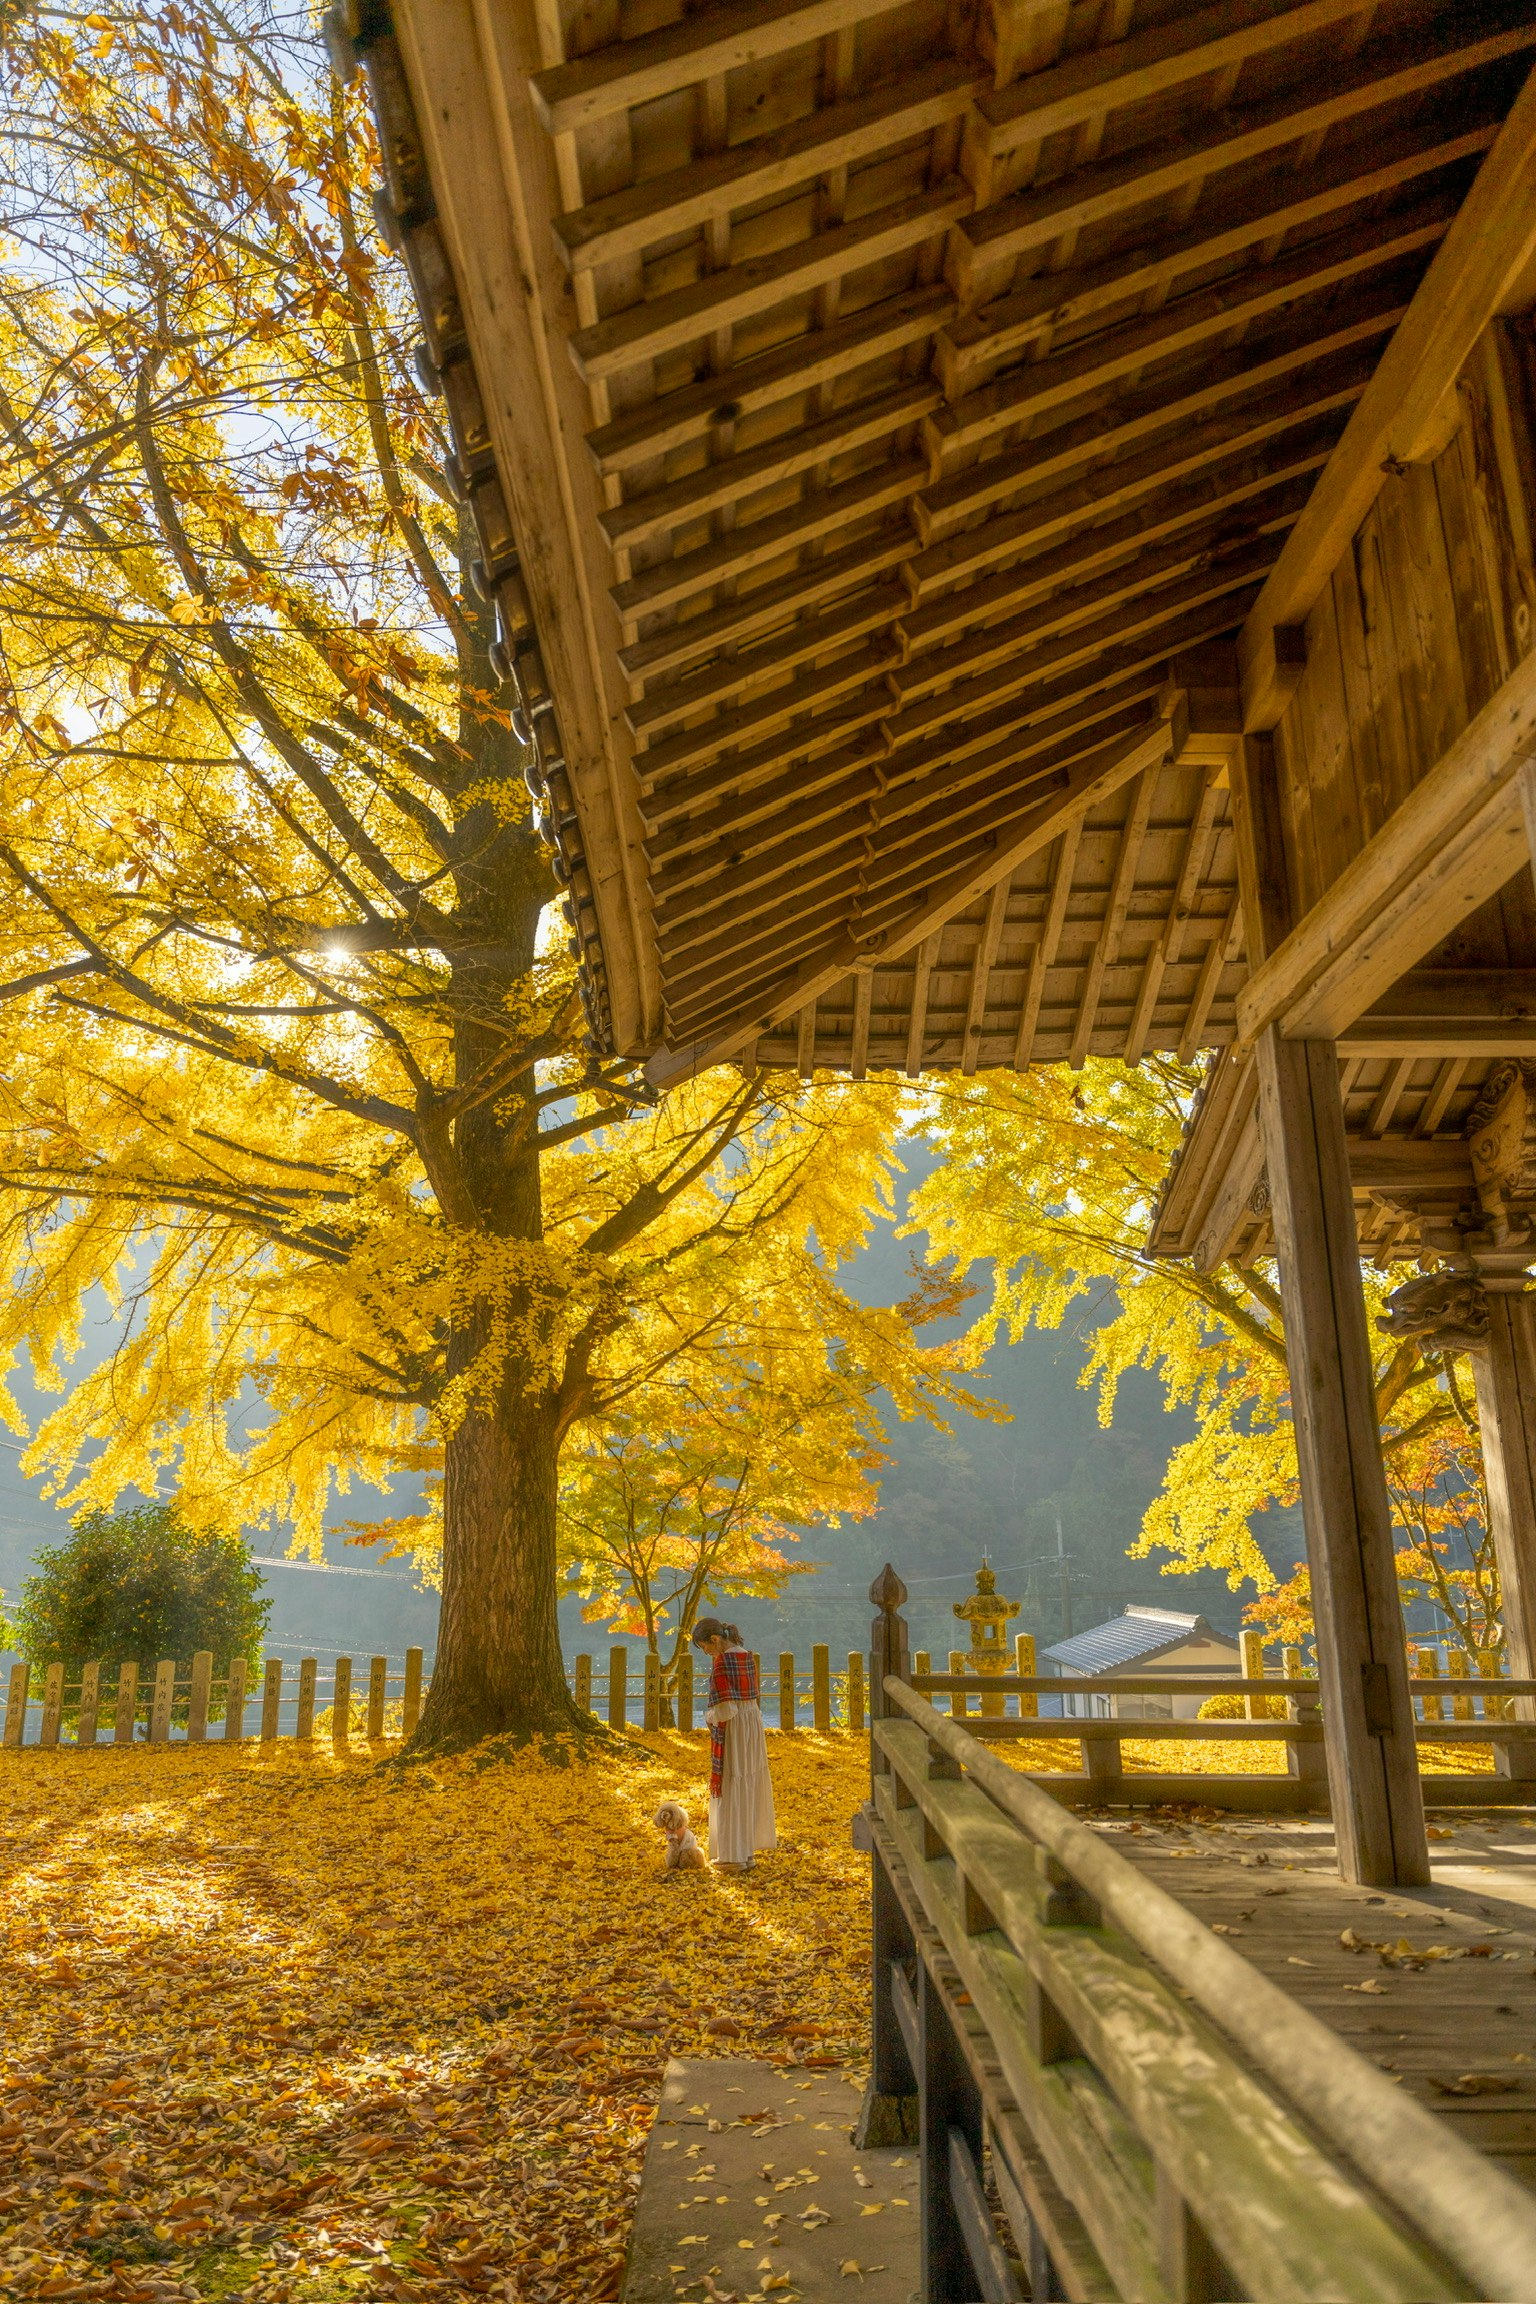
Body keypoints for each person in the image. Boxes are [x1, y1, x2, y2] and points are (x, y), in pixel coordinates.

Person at [691, 1618, 776, 1873]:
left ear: (715, 1640)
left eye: (704, 1646)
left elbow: (724, 1710)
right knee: (748, 1782)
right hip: (752, 1723)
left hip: (735, 1728)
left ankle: (733, 1856)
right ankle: (746, 1852)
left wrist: (707, 1717)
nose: (706, 1652)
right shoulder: (746, 1657)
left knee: (731, 1783)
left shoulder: (721, 1664)